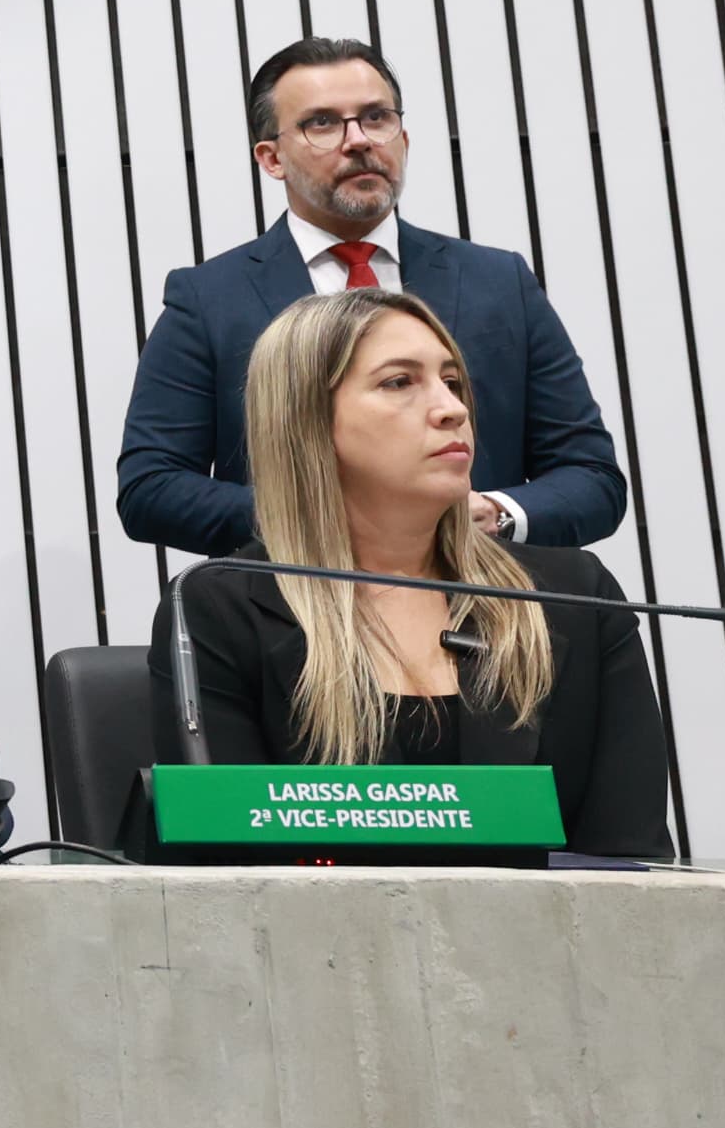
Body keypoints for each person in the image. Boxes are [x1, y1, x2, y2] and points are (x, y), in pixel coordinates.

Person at [154, 288, 671, 858]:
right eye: (399, 382)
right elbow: (230, 872)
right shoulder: (218, 610)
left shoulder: (575, 596)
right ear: (307, 421)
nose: (452, 408)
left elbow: (625, 858)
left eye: (451, 381)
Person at [116, 37, 628, 556]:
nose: (358, 140)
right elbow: (150, 489)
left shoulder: (497, 281)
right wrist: (331, 521)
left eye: (375, 117)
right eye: (322, 123)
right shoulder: (209, 299)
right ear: (271, 158)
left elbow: (591, 478)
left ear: (403, 138)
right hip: (295, 614)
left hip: (488, 606)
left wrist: (492, 514)